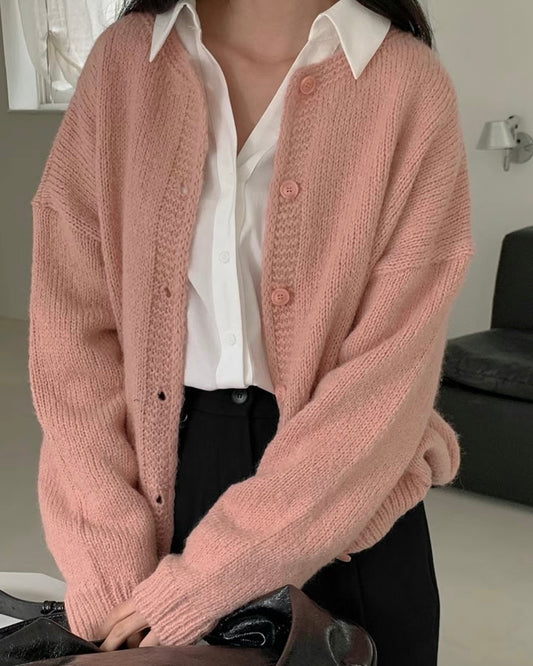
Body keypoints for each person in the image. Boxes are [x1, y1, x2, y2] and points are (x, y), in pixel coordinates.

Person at [28, 0, 475, 664]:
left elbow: (390, 369)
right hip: (157, 483)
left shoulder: (406, 84)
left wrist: (210, 579)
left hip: (345, 486)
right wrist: (108, 559)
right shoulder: (126, 63)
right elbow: (70, 335)